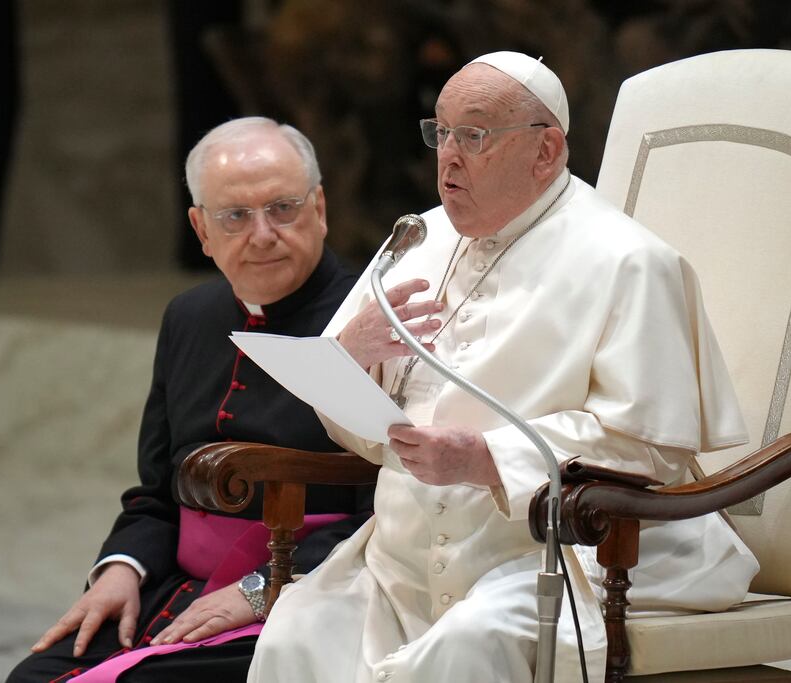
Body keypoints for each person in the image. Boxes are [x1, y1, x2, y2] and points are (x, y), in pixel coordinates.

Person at [248, 52, 759, 683]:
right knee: (297, 636)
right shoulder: (416, 239)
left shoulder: (628, 261)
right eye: (441, 132)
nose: (449, 156)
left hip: (562, 556)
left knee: (467, 645)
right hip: (400, 560)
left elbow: (649, 448)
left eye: (475, 136)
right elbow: (353, 416)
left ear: (546, 150)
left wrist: (485, 458)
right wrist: (351, 355)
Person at [7, 117, 373, 683]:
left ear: (319, 208)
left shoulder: (372, 319)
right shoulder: (189, 317)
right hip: (176, 590)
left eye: (283, 207)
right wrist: (121, 568)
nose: (263, 234)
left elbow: (392, 506)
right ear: (201, 230)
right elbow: (156, 493)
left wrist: (260, 589)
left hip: (310, 594)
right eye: (235, 216)